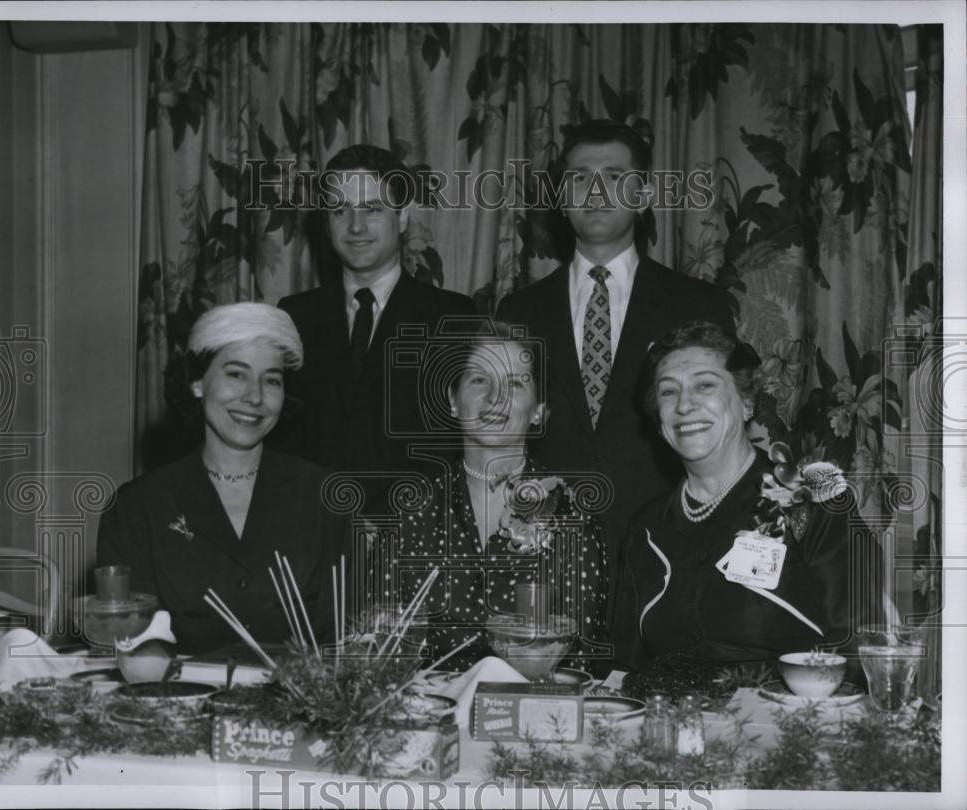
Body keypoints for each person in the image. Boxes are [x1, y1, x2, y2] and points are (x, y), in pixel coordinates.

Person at [496, 120, 736, 641]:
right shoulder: (518, 311)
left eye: (615, 176)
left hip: (670, 562)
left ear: (644, 193)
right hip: (547, 567)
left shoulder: (698, 305)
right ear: (562, 197)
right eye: (581, 177)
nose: (598, 191)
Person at [612, 321, 882, 669]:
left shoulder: (815, 503)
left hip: (795, 718)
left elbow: (866, 651)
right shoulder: (645, 529)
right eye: (668, 392)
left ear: (746, 402)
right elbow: (625, 669)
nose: (684, 405)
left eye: (705, 386)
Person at [96, 303, 343, 654]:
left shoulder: (325, 497)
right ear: (197, 382)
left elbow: (348, 637)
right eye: (236, 374)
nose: (255, 396)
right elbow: (132, 645)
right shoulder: (136, 508)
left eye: (271, 380)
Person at [369, 322, 609, 672]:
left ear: (539, 411)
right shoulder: (409, 510)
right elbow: (380, 647)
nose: (496, 397)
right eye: (480, 379)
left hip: (535, 717)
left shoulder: (572, 516)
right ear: (453, 400)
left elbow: (582, 660)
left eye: (515, 383)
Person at [275, 144, 477, 513]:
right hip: (311, 537)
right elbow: (281, 443)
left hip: (416, 541)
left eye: (372, 208)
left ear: (402, 219)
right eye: (340, 210)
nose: (355, 226)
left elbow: (460, 448)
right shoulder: (294, 316)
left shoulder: (454, 316)